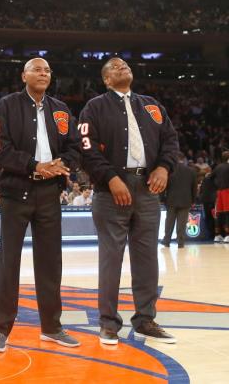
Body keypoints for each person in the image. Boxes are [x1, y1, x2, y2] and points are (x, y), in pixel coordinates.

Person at [78, 57, 179, 345]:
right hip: (112, 190)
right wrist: (110, 177)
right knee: (112, 257)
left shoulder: (152, 105)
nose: (122, 67)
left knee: (147, 257)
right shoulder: (94, 107)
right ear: (106, 80)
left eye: (125, 66)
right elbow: (86, 149)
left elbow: (170, 140)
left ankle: (145, 319)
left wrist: (164, 167)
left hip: (147, 187)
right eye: (114, 67)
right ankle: (108, 323)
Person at [0, 58, 81, 352]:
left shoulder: (61, 110)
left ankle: (52, 327)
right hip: (16, 193)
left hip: (50, 194)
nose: (43, 73)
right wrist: (35, 166)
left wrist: (60, 166)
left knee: (51, 263)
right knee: (8, 263)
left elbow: (76, 146)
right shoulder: (5, 105)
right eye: (37, 69)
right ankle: (1, 329)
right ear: (23, 75)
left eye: (47, 70)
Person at [162, 153, 197, 248]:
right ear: (184, 159)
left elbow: (163, 186)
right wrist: (193, 201)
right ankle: (180, 243)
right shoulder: (191, 171)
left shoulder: (169, 171)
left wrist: (163, 199)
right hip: (186, 200)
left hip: (171, 200)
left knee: (169, 222)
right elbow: (194, 188)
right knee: (182, 223)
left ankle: (166, 241)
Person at [212, 151, 229, 243]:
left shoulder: (217, 167)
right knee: (227, 213)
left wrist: (217, 185)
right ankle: (227, 235)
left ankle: (217, 235)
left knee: (219, 214)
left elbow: (210, 178)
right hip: (227, 191)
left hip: (219, 192)